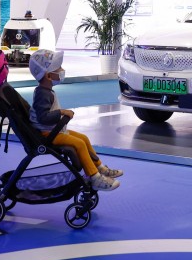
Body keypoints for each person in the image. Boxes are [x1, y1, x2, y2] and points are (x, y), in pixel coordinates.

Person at [28, 49, 122, 191]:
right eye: (58, 69)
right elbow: (43, 118)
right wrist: (61, 112)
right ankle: (94, 177)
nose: (62, 70)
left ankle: (100, 167)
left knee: (83, 138)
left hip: (54, 131)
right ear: (48, 75)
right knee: (79, 144)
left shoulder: (46, 91)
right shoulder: (42, 94)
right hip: (48, 134)